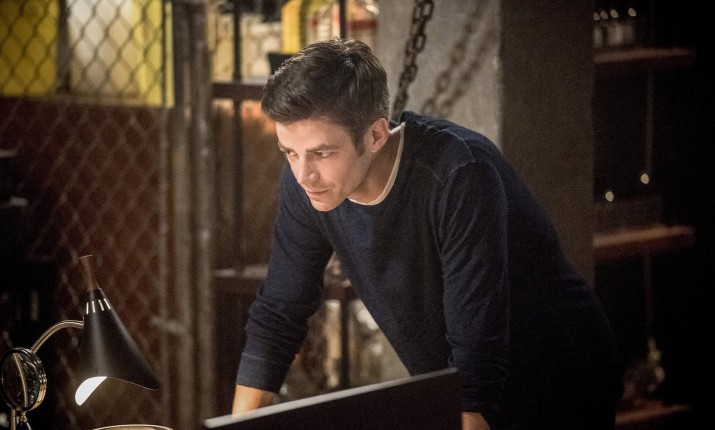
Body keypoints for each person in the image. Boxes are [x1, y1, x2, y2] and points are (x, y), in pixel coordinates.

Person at [232, 38, 625, 430]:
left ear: (375, 135)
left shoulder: (459, 175)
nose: (303, 173)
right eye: (290, 152)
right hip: (464, 382)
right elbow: (278, 315)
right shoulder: (309, 183)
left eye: (321, 153)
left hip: (561, 376)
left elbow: (476, 358)